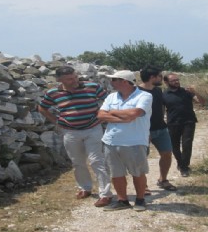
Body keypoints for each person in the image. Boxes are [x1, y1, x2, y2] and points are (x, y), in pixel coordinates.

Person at [38, 66, 113, 207]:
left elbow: (109, 101)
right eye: (69, 79)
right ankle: (85, 188)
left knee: (96, 160)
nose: (74, 81)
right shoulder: (53, 93)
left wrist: (102, 117)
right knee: (77, 162)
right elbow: (42, 108)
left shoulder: (92, 87)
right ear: (59, 80)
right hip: (70, 132)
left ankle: (106, 194)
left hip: (93, 129)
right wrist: (56, 121)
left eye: (75, 77)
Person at [97, 70, 153, 211]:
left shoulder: (144, 96)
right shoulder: (111, 97)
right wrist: (124, 117)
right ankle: (122, 200)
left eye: (114, 80)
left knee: (138, 172)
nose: (111, 82)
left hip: (134, 141)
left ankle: (140, 200)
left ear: (125, 81)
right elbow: (100, 115)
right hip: (111, 141)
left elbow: (135, 113)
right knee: (116, 173)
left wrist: (112, 112)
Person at [138, 66, 177, 191]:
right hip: (143, 131)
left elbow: (161, 108)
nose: (161, 78)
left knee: (167, 154)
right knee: (142, 158)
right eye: (159, 76)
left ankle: (163, 180)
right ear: (152, 77)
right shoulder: (136, 92)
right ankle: (143, 185)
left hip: (161, 128)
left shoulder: (158, 91)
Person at [162, 72, 205, 177]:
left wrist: (195, 92)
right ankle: (180, 162)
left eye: (177, 80)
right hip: (173, 123)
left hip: (188, 121)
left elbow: (202, 102)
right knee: (174, 146)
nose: (176, 82)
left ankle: (184, 167)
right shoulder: (164, 95)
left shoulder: (187, 92)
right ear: (166, 82)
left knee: (187, 144)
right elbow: (162, 110)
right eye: (173, 80)